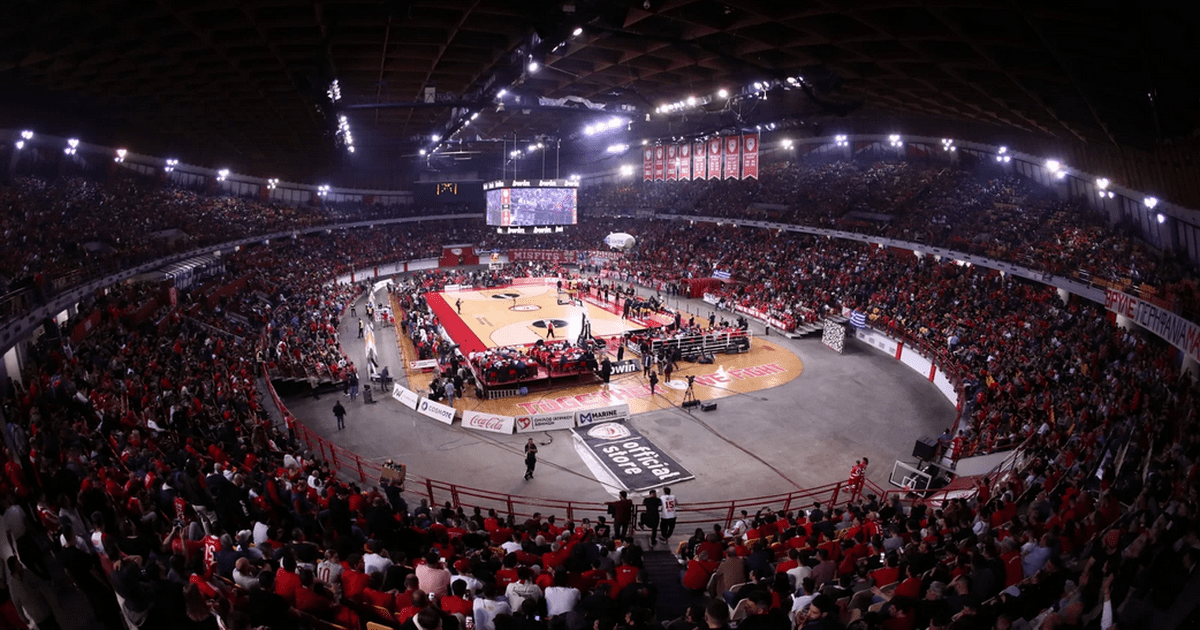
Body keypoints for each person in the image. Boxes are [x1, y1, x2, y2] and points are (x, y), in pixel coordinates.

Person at [7, 556, 60, 630]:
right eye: (17, 563)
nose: (20, 564)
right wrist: (24, 618)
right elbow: (17, 605)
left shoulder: (27, 573)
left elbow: (41, 584)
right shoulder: (13, 586)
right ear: (14, 567)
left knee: (55, 626)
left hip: (46, 609)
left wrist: (53, 598)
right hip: (37, 617)